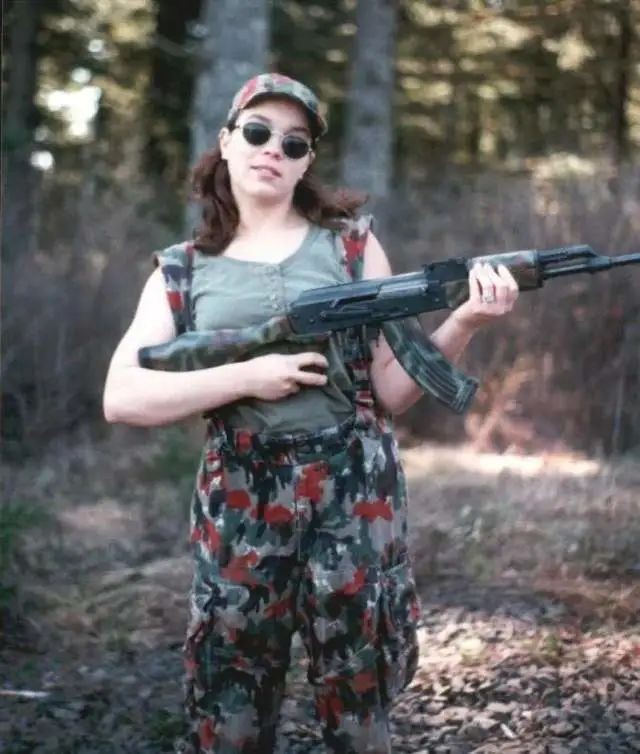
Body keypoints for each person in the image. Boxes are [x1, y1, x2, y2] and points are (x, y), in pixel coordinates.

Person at [103, 73, 519, 754]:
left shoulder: (352, 248)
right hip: (242, 501)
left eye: (294, 143)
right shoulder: (181, 271)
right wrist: (246, 377)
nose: (274, 149)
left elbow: (392, 391)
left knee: (360, 706)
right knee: (231, 709)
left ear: (306, 163)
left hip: (354, 496)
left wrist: (467, 318)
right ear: (227, 142)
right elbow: (121, 397)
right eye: (258, 132)